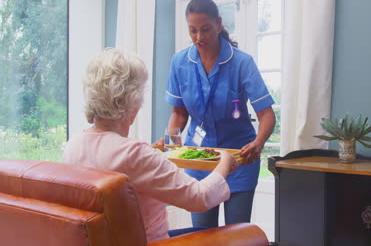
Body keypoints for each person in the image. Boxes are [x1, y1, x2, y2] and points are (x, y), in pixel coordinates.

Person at [62, 48, 239, 242]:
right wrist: (224, 163)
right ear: (133, 100)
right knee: (235, 234)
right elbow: (199, 197)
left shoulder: (72, 146)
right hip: (150, 242)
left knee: (200, 228)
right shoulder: (135, 154)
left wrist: (152, 155)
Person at [155, 0, 276, 228]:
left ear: (219, 24)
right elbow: (179, 114)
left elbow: (266, 115)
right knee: (203, 237)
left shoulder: (242, 63)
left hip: (239, 161)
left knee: (237, 236)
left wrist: (259, 143)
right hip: (200, 163)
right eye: (193, 31)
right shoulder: (179, 62)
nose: (199, 37)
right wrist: (172, 142)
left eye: (206, 29)